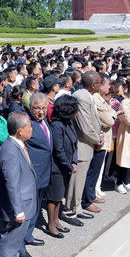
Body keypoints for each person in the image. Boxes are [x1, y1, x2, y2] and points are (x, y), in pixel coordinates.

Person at [0, 112, 38, 257]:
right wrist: (18, 210)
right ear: (20, 130)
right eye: (29, 127)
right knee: (9, 242)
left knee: (14, 243)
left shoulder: (18, 145)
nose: (32, 129)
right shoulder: (10, 151)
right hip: (18, 208)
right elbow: (11, 183)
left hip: (25, 204)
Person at [63, 71, 103, 221]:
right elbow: (85, 126)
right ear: (94, 85)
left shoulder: (87, 96)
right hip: (82, 144)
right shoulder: (82, 97)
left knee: (81, 180)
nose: (101, 85)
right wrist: (97, 140)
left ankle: (77, 207)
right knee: (76, 180)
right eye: (99, 82)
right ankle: (70, 211)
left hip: (87, 144)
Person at [18, 93, 53, 257]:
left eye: (43, 108)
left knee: (36, 208)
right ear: (30, 108)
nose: (40, 112)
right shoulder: (26, 124)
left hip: (44, 173)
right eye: (37, 108)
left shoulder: (45, 121)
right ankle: (20, 246)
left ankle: (28, 236)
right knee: (26, 211)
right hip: (31, 175)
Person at [47, 95, 79, 233]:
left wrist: (74, 161)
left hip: (66, 166)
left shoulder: (69, 122)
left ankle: (56, 220)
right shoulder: (56, 126)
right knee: (53, 197)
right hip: (57, 167)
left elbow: (74, 143)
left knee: (59, 196)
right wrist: (69, 166)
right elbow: (58, 151)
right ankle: (51, 225)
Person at [81, 73, 111, 212]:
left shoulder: (97, 97)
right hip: (94, 141)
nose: (108, 86)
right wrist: (97, 138)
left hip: (99, 138)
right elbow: (107, 120)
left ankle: (91, 195)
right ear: (94, 85)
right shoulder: (91, 98)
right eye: (104, 83)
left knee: (95, 171)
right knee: (91, 173)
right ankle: (87, 200)